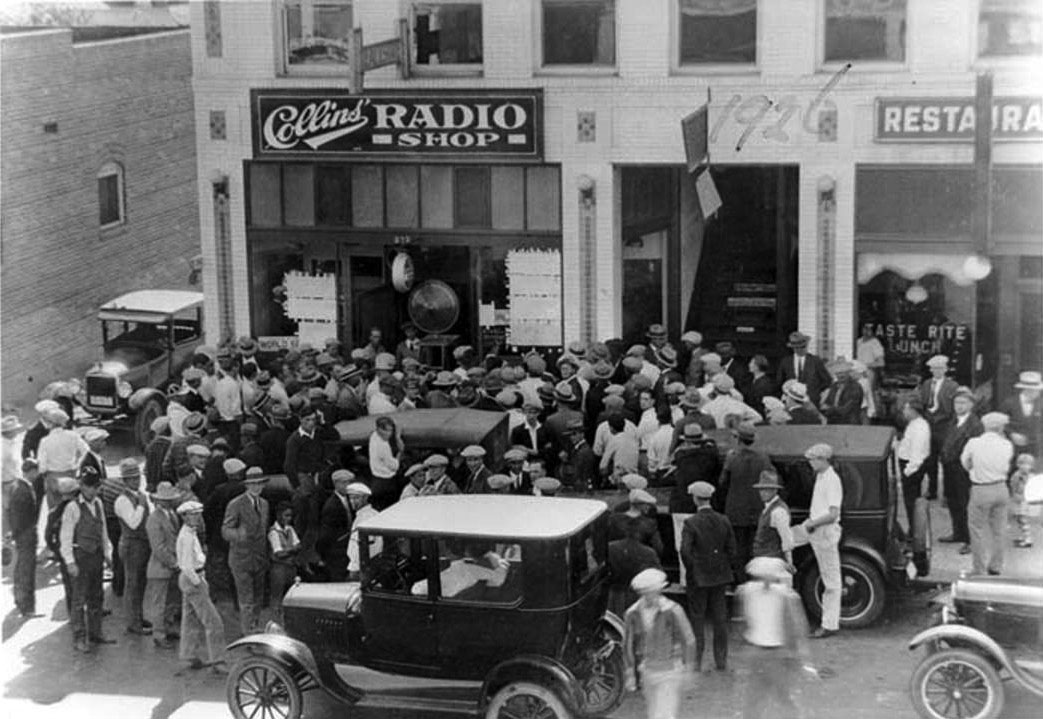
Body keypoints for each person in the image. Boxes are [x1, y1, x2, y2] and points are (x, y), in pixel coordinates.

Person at [737, 556, 818, 719]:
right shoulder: (787, 596)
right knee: (785, 699)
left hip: (758, 653)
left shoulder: (746, 592)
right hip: (778, 655)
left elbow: (743, 622)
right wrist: (801, 659)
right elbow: (796, 629)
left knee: (755, 701)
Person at [622, 567, 696, 719]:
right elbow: (627, 644)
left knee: (664, 714)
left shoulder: (672, 610)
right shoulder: (632, 613)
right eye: (646, 592)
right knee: (653, 711)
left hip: (670, 670)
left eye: (653, 591)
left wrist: (688, 667)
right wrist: (630, 672)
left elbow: (688, 639)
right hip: (648, 669)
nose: (650, 596)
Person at [679, 481, 736, 672]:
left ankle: (696, 661)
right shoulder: (724, 520)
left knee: (697, 618)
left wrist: (693, 570)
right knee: (720, 618)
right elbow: (732, 550)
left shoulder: (691, 523)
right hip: (720, 576)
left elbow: (685, 551)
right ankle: (721, 660)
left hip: (698, 578)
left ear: (696, 499)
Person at [60, 466, 114, 653]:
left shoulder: (98, 503)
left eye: (95, 486)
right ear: (81, 486)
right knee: (79, 598)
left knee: (96, 596)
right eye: (88, 486)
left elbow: (103, 530)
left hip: (96, 555)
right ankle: (79, 637)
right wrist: (70, 562)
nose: (91, 490)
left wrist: (107, 554)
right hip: (81, 556)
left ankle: (96, 633)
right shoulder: (72, 507)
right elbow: (65, 537)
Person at [175, 500, 228, 673]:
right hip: (193, 578)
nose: (197, 518)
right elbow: (187, 566)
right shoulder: (188, 536)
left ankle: (189, 655)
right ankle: (218, 661)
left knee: (190, 620)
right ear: (184, 517)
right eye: (193, 515)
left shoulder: (188, 533)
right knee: (214, 622)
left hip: (188, 579)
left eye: (198, 514)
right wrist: (199, 583)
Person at [961, 412, 1015, 575]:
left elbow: (965, 462)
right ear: (1001, 427)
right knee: (999, 529)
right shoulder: (1007, 445)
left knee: (977, 529)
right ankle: (996, 565)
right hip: (1001, 487)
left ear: (984, 426)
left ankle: (979, 568)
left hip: (981, 488)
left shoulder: (974, 443)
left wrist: (974, 469)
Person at [798, 443, 843, 638]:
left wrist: (812, 523)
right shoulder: (822, 477)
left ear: (823, 460)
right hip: (816, 528)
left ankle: (830, 624)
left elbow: (833, 514)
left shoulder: (831, 480)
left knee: (831, 580)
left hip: (823, 531)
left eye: (813, 459)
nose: (810, 462)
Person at [717, 423, 770, 580]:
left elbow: (722, 483)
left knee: (738, 549)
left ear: (737, 439)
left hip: (735, 510)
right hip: (757, 509)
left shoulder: (732, 458)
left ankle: (741, 580)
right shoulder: (763, 458)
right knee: (755, 547)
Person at [222, 468, 270, 634]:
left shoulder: (264, 504)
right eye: (253, 484)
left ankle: (254, 627)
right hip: (241, 559)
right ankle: (247, 631)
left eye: (259, 484)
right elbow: (225, 530)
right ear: (247, 485)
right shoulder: (236, 504)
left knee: (258, 597)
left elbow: (263, 532)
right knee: (246, 598)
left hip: (259, 558)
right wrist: (238, 535)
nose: (256, 487)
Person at [938, 387, 982, 554]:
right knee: (953, 501)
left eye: (963, 402)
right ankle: (958, 532)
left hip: (963, 469)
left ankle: (969, 540)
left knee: (965, 503)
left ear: (971, 404)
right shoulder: (953, 420)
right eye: (956, 402)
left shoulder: (975, 424)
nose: (959, 405)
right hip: (949, 467)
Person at [114, 459, 152, 635]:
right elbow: (134, 522)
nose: (137, 481)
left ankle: (138, 616)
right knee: (132, 584)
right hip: (131, 545)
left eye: (138, 477)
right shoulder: (123, 500)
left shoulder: (138, 496)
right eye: (132, 479)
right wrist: (143, 506)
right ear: (125, 481)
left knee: (140, 583)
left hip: (141, 544)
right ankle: (132, 623)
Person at [145, 481, 183, 649]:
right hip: (160, 568)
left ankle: (167, 628)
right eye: (167, 499)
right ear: (159, 500)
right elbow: (158, 547)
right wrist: (174, 563)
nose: (170, 501)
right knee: (159, 604)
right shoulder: (154, 519)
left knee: (170, 602)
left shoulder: (172, 515)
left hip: (171, 567)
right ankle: (158, 634)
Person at [918, 355, 959, 500]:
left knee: (947, 460)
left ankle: (948, 493)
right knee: (930, 460)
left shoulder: (952, 386)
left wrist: (953, 427)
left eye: (940, 368)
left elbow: (956, 409)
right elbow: (921, 403)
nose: (937, 371)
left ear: (945, 369)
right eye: (934, 369)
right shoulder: (926, 384)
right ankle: (932, 490)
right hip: (929, 425)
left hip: (945, 427)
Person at [7, 455, 40, 618]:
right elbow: (19, 516)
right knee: (26, 570)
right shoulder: (23, 489)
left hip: (23, 533)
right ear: (31, 471)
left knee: (23, 569)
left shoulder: (19, 486)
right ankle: (26, 607)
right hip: (26, 534)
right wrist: (20, 533)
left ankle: (22, 602)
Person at [37, 407, 89, 511]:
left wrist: (43, 472)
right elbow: (86, 451)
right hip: (70, 473)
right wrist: (78, 465)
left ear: (50, 424)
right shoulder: (73, 436)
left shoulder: (45, 441)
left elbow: (42, 466)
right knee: (71, 507)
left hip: (53, 476)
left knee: (54, 509)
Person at [45, 476, 80, 618]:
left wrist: (57, 551)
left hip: (63, 555)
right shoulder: (78, 509)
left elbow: (48, 537)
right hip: (80, 551)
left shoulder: (53, 512)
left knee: (69, 585)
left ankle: (73, 614)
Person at [897, 398, 931, 530]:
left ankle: (915, 531)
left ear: (913, 411)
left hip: (912, 467)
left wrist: (908, 471)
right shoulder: (913, 424)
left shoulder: (920, 427)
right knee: (909, 501)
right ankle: (913, 528)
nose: (904, 412)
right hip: (909, 464)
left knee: (912, 501)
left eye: (906, 409)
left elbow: (917, 451)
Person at [751, 470, 794, 571]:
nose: (762, 493)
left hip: (772, 561)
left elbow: (786, 538)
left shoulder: (778, 511)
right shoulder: (768, 509)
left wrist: (789, 561)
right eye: (761, 490)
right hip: (764, 560)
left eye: (766, 490)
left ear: (775, 490)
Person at [776, 332, 833, 407]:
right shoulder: (786, 362)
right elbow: (780, 381)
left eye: (803, 347)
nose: (800, 349)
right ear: (793, 348)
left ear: (806, 346)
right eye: (797, 347)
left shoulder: (815, 361)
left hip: (812, 401)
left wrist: (815, 391)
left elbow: (827, 380)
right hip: (793, 402)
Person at [318, 469, 355, 580]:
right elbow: (326, 534)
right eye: (344, 483)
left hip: (346, 550)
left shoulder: (349, 499)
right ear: (335, 484)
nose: (347, 486)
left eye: (349, 482)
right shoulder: (331, 506)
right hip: (336, 553)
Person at [268, 502, 300, 622]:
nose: (288, 519)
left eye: (290, 516)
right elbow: (278, 553)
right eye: (286, 516)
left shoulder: (290, 529)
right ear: (278, 515)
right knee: (277, 597)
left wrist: (288, 551)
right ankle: (275, 622)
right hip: (278, 569)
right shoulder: (273, 532)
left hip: (290, 567)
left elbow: (299, 545)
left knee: (290, 596)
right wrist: (292, 550)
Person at [1000, 371, 1043, 456]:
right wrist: (1011, 434)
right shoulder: (1009, 403)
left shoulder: (1041, 404)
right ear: (1028, 389)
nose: (1039, 393)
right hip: (1012, 450)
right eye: (1037, 390)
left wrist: (1032, 439)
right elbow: (1000, 423)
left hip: (1035, 451)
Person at [346, 482, 380, 579]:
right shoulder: (368, 514)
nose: (352, 501)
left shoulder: (365, 518)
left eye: (356, 498)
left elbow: (361, 546)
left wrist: (354, 569)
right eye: (350, 498)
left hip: (363, 567)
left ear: (365, 498)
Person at [368, 416, 401, 510]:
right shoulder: (383, 446)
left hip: (376, 481)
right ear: (379, 430)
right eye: (386, 431)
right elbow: (394, 466)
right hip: (386, 484)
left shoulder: (374, 436)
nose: (389, 434)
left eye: (390, 431)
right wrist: (399, 456)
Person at [819, 358, 864, 425]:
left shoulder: (855, 386)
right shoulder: (834, 386)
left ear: (848, 373)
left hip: (849, 423)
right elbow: (828, 402)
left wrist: (830, 409)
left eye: (842, 373)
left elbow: (848, 408)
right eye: (837, 373)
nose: (840, 375)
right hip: (834, 423)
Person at [1010, 453, 1037, 548]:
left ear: (1032, 466)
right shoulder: (1016, 475)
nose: (1025, 467)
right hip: (1019, 500)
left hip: (1024, 501)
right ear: (1018, 465)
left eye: (1028, 465)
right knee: (1019, 519)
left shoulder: (1030, 476)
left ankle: (1028, 539)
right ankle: (1024, 536)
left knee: (1023, 520)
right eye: (1022, 464)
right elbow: (1013, 486)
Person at [144, 416, 172, 492]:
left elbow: (147, 469)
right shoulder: (171, 445)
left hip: (153, 485)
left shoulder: (149, 446)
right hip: (168, 486)